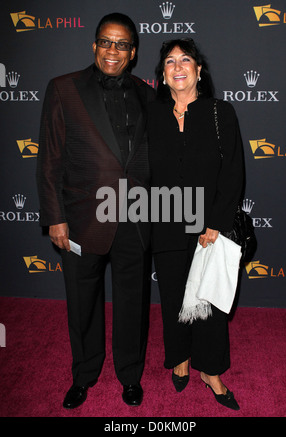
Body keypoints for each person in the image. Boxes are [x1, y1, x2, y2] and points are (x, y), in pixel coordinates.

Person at [36, 13, 155, 409]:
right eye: (106, 41)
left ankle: (130, 375)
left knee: (132, 303)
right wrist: (55, 216)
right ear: (94, 44)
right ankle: (84, 375)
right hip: (82, 218)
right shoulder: (63, 88)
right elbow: (50, 159)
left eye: (122, 44)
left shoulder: (146, 92)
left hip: (136, 218)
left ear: (133, 52)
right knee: (82, 302)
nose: (113, 50)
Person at [147, 38, 244, 410]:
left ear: (198, 70)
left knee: (208, 302)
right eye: (169, 62)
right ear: (163, 76)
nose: (178, 66)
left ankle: (211, 370)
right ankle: (181, 359)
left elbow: (233, 171)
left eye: (185, 59)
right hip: (166, 222)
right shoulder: (152, 115)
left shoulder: (221, 112)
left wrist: (216, 222)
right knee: (173, 297)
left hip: (209, 226)